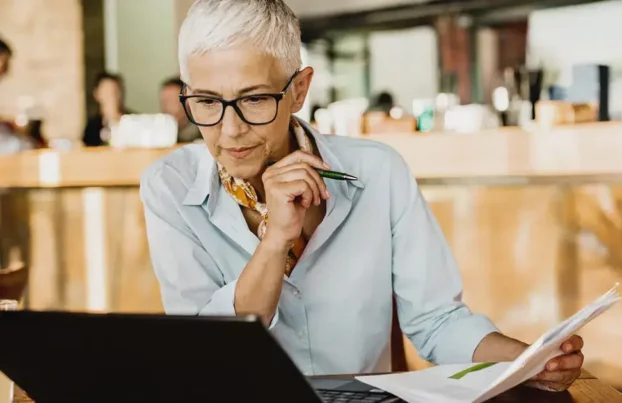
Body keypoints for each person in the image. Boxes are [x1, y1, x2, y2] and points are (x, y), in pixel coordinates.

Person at [140, 0, 584, 392]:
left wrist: (529, 362)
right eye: (206, 101)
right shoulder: (170, 187)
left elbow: (437, 323)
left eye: (254, 100)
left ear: (298, 90)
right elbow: (208, 355)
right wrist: (275, 240)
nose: (230, 130)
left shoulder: (377, 171)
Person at [82, 72, 129, 147]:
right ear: (96, 94)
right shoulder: (92, 126)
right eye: (105, 90)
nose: (109, 95)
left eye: (112, 90)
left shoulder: (131, 120)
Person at [160, 76, 202, 143]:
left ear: (187, 100)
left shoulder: (202, 130)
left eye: (171, 100)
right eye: (164, 101)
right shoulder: (161, 132)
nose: (166, 107)